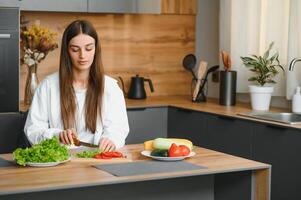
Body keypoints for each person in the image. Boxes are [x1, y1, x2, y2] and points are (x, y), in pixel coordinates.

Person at [24, 20, 129, 152]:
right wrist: (57, 135)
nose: (82, 55)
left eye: (89, 48)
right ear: (67, 51)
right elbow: (33, 130)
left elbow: (118, 128)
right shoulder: (48, 86)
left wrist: (111, 139)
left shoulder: (111, 88)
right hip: (60, 161)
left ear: (96, 49)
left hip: (97, 159)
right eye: (75, 49)